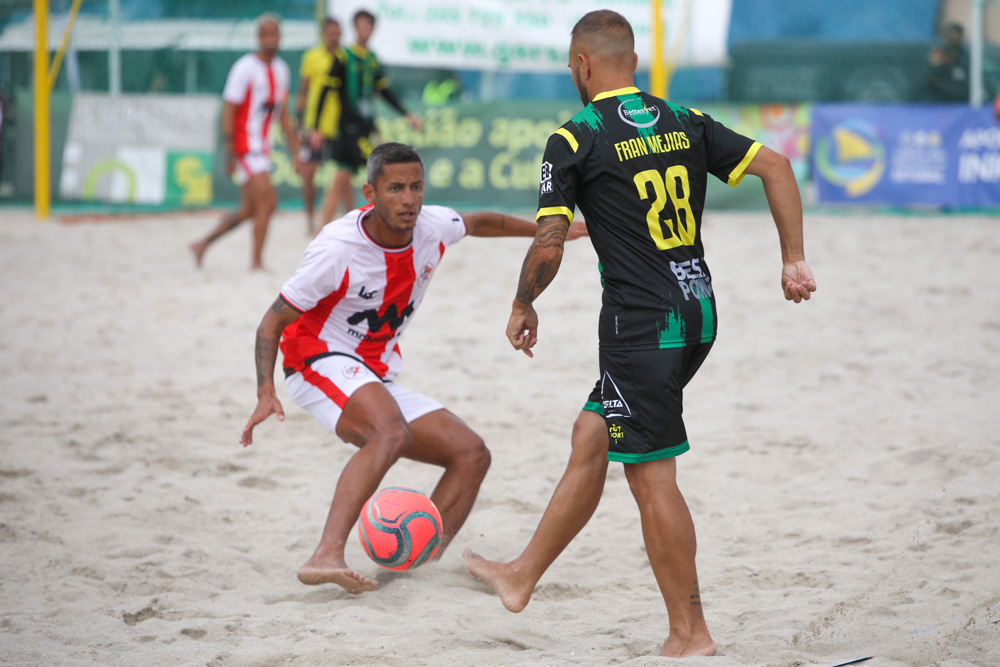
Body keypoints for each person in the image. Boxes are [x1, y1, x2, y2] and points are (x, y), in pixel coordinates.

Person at [463, 9, 816, 658]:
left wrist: (523, 300)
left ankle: (691, 633)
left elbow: (549, 242)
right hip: (697, 312)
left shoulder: (575, 138)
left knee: (651, 478)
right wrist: (793, 258)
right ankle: (520, 576)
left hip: (639, 328)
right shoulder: (685, 120)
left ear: (583, 65)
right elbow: (779, 167)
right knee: (592, 431)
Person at [240, 142, 585, 594]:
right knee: (389, 432)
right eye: (396, 188)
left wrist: (551, 231)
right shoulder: (337, 248)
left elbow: (480, 222)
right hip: (314, 360)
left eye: (416, 187)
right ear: (370, 192)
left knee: (471, 454)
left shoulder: (431, 226)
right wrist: (265, 390)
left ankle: (414, 565)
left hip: (372, 371)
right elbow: (272, 320)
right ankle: (324, 554)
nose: (409, 199)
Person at [190, 14, 299, 270]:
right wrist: (229, 151)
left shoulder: (282, 70)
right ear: (258, 37)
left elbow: (283, 116)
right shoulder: (245, 67)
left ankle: (203, 243)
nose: (271, 38)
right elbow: (228, 110)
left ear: (280, 37)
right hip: (245, 146)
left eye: (275, 33)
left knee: (249, 209)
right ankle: (256, 262)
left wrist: (295, 151)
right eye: (266, 33)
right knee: (269, 202)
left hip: (263, 148)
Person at [317, 9, 423, 228]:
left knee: (347, 180)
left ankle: (342, 227)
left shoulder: (372, 60)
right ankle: (324, 230)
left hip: (365, 128)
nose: (365, 29)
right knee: (379, 170)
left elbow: (384, 93)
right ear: (355, 28)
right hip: (347, 130)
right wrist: (316, 128)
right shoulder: (343, 56)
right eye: (361, 25)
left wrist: (407, 115)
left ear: (373, 29)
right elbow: (325, 92)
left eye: (368, 26)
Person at [295, 18, 344, 236]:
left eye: (336, 32)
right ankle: (308, 218)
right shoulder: (311, 57)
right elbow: (303, 91)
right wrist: (301, 124)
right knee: (309, 174)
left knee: (342, 175)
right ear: (323, 34)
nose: (333, 36)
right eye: (329, 32)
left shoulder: (345, 57)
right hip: (314, 125)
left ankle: (340, 219)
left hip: (338, 125)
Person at [926, 22, 970, 103]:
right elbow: (929, 81)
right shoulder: (938, 56)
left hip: (961, 102)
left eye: (957, 36)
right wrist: (934, 66)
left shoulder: (965, 59)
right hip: (938, 103)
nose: (953, 38)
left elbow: (966, 86)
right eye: (950, 35)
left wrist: (942, 85)